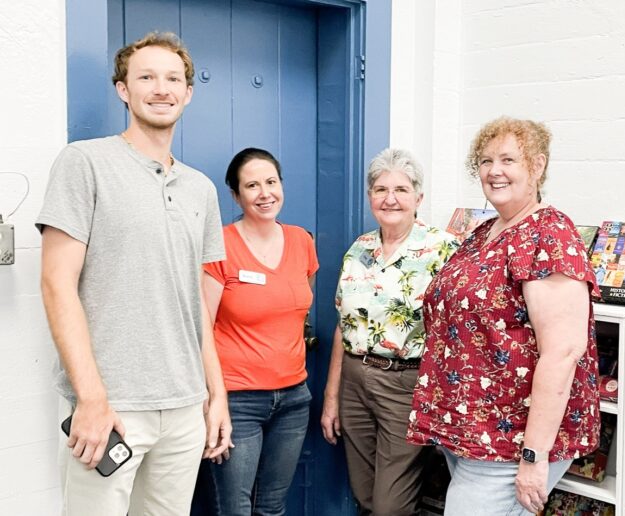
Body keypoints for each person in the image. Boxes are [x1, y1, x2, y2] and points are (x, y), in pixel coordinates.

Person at [37, 32, 230, 516]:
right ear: (123, 89)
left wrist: (216, 394)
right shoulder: (85, 163)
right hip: (113, 406)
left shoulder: (201, 189)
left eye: (173, 79)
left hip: (185, 407)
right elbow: (56, 284)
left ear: (188, 92)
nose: (161, 88)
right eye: (146, 77)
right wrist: (91, 398)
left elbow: (194, 304)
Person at [408, 117, 601, 516]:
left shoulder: (549, 234)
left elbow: (563, 351)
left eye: (509, 159)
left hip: (510, 441)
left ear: (538, 165)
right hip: (470, 433)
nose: (494, 171)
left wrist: (533, 457)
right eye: (485, 161)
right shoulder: (483, 232)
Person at [321, 148, 459, 516]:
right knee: (364, 496)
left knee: (389, 506)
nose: (390, 198)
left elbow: (455, 333)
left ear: (418, 197)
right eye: (380, 189)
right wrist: (332, 396)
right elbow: (343, 326)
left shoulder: (443, 249)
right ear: (370, 197)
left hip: (406, 385)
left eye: (401, 189)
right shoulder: (359, 249)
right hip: (353, 380)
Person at [196, 148, 319, 515]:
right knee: (235, 508)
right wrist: (213, 398)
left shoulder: (301, 241)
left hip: (294, 398)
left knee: (272, 506)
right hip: (238, 399)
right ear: (236, 195)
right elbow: (202, 324)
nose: (265, 193)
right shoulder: (220, 244)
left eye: (271, 182)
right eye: (252, 185)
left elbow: (298, 307)